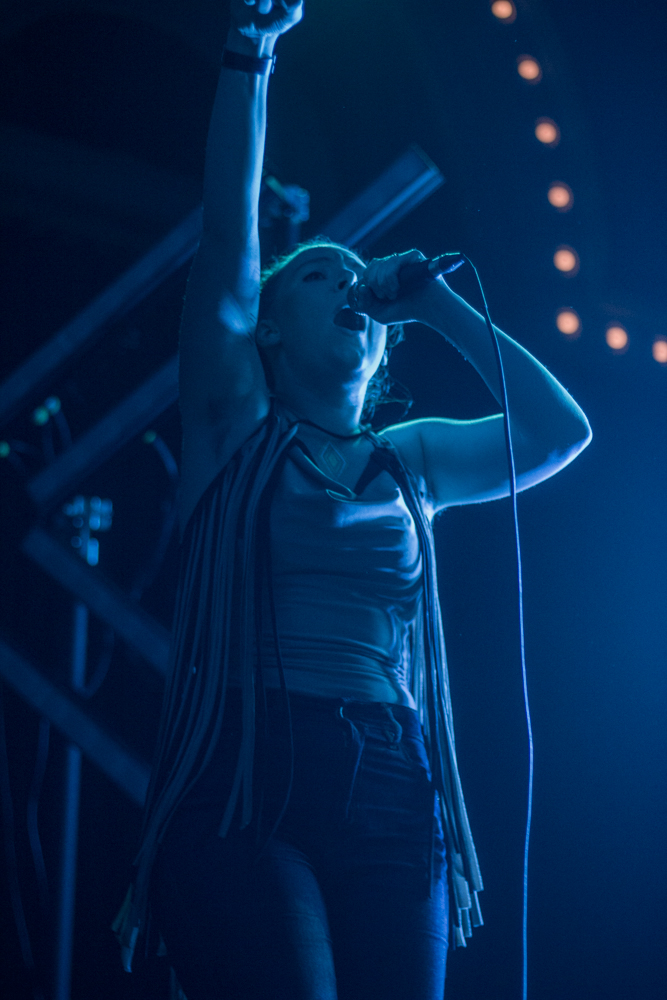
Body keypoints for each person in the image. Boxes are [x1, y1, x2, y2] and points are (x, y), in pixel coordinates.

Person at [115, 2, 592, 997]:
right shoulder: (231, 427)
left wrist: (427, 300)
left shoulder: (406, 457)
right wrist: (252, 55)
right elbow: (226, 238)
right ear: (273, 331)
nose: (351, 293)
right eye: (323, 277)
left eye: (361, 293)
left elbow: (559, 432)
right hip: (250, 764)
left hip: (390, 773)